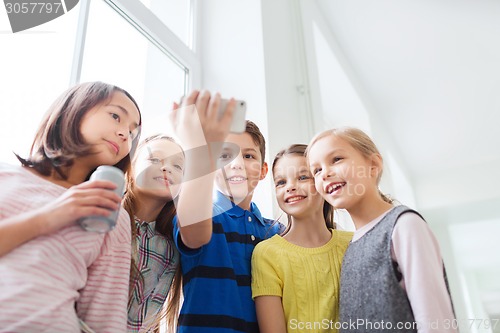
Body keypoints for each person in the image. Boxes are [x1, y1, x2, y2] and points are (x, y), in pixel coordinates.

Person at [0, 81, 142, 332]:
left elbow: (106, 321)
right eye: (115, 116)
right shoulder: (5, 176)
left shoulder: (110, 213)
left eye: (132, 133)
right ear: (75, 109)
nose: (124, 134)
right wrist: (51, 216)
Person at [306, 127, 457, 333]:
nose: (325, 174)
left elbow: (436, 324)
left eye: (337, 159)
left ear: (373, 165)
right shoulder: (351, 247)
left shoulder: (405, 226)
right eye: (316, 170)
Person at [170, 90, 283, 333]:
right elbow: (193, 234)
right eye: (225, 155)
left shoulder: (277, 231)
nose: (237, 163)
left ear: (263, 171)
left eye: (249, 155)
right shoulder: (202, 212)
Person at [251, 144, 353, 333]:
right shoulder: (267, 254)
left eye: (303, 177)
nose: (290, 187)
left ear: (323, 181)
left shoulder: (353, 243)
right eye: (281, 182)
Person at [125, 134, 184, 333]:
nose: (167, 168)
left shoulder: (170, 248)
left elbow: (145, 321)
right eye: (155, 159)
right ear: (131, 168)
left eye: (178, 166)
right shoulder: (104, 217)